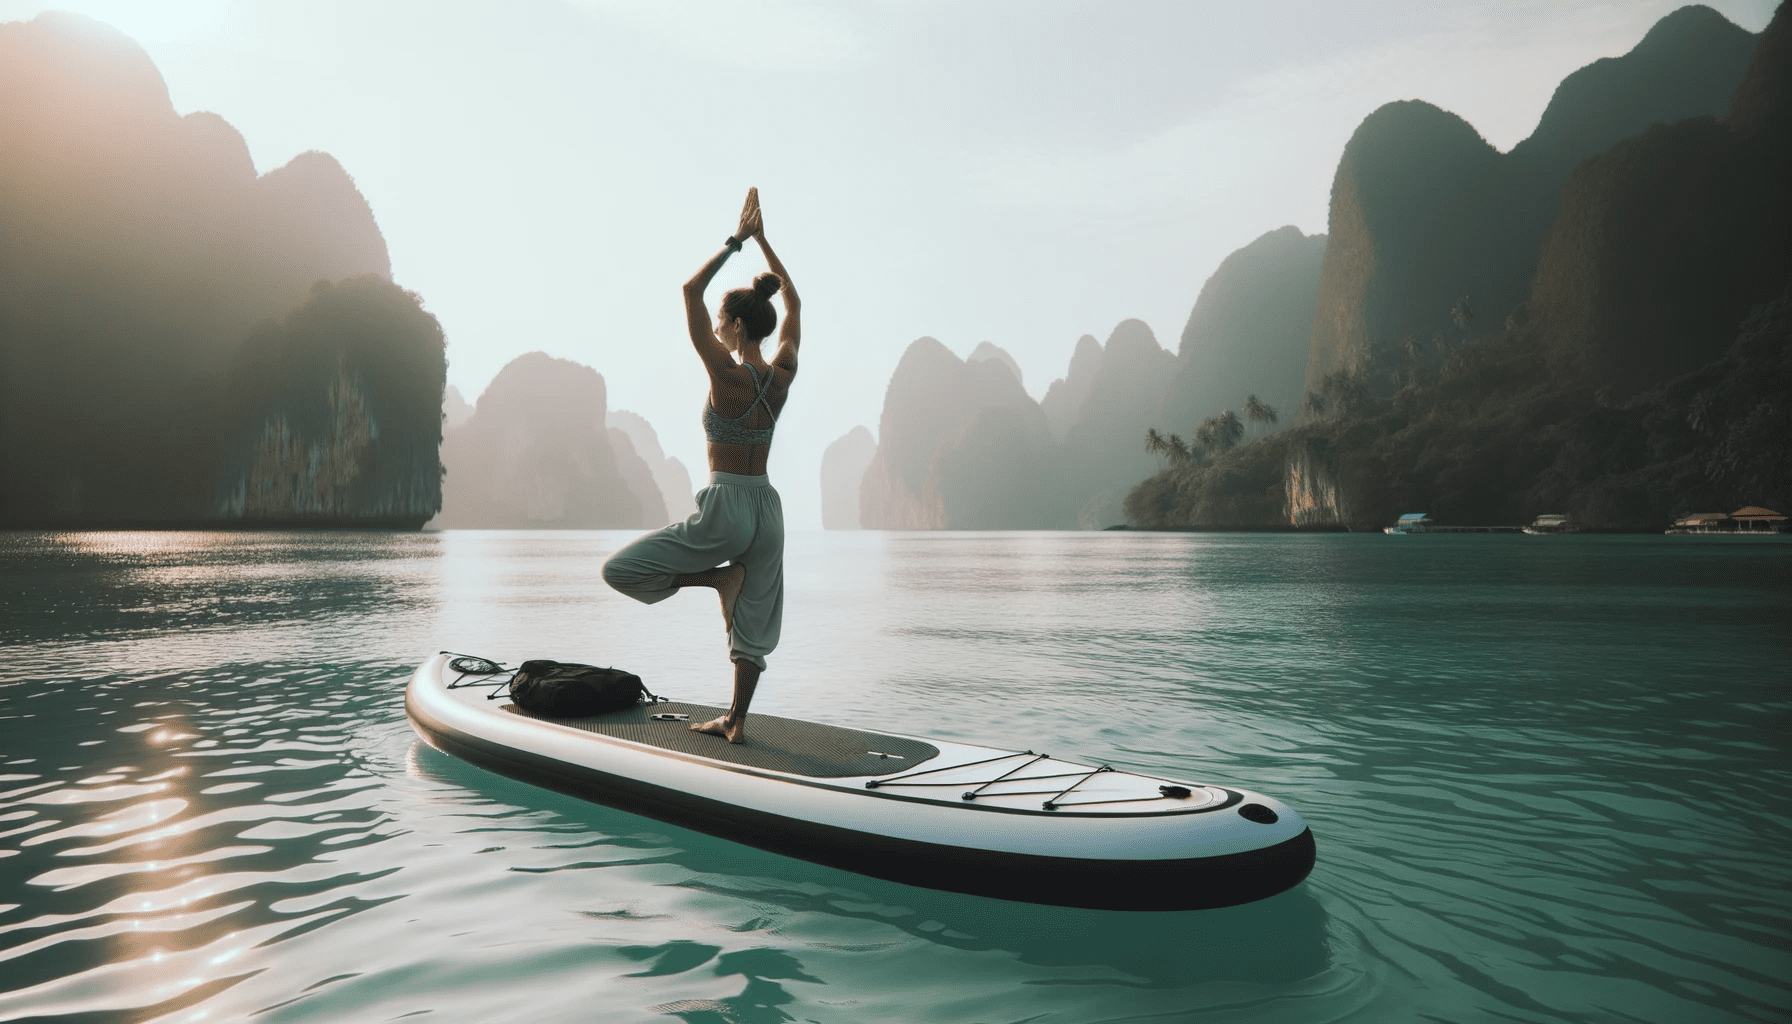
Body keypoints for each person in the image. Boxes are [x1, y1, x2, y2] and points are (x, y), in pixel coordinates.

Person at [601, 188, 798, 744]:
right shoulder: (782, 373)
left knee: (619, 570)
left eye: (721, 322)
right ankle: (736, 721)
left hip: (728, 504)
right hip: (768, 507)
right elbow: (796, 309)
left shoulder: (727, 376)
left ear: (737, 327)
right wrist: (767, 245)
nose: (715, 328)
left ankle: (714, 578)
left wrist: (738, 241)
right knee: (753, 623)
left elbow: (690, 290)